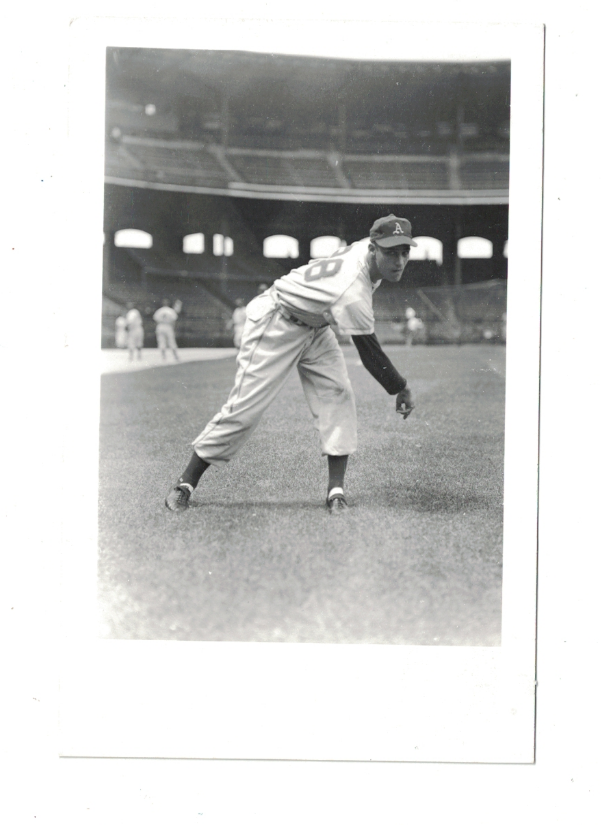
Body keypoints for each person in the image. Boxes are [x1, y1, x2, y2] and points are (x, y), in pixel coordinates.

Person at [165, 214, 417, 515]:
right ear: (373, 248)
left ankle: (336, 490)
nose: (399, 260)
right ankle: (185, 483)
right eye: (390, 251)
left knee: (338, 394)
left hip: (316, 324)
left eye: (404, 251)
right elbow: (371, 355)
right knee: (245, 409)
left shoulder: (362, 250)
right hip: (277, 321)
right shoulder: (353, 292)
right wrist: (400, 388)